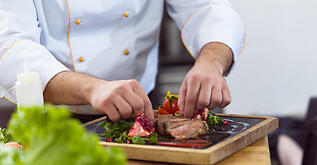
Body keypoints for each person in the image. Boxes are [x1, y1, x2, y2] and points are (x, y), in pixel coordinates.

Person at [0, 1, 245, 123]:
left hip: (139, 109)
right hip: (54, 118)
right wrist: (92, 88)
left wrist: (211, 62)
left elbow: (207, 8)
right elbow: (10, 45)